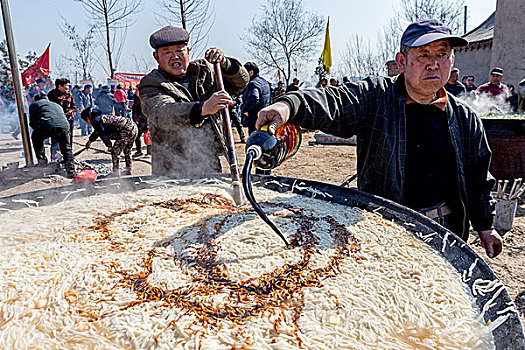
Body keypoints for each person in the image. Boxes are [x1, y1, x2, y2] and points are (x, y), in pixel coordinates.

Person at [256, 19, 503, 259]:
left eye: (442, 54)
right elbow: (334, 102)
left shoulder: (463, 117)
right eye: (424, 55)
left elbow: (477, 176)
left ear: (452, 60)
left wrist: (485, 226)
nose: (433, 64)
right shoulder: (376, 98)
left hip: (446, 230)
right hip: (385, 228)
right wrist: (288, 106)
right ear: (402, 61)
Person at [137, 26, 249, 175]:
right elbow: (162, 113)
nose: (175, 56)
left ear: (188, 52)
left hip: (209, 161)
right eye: (167, 52)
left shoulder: (205, 71)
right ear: (156, 57)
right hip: (171, 168)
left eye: (179, 50)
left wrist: (225, 64)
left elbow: (241, 82)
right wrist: (202, 108)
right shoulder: (151, 83)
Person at [28, 93, 75, 178]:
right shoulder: (56, 104)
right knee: (66, 148)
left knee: (36, 137)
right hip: (64, 126)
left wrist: (39, 129)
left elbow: (32, 122)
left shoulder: (34, 105)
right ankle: (71, 171)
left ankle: (42, 163)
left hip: (46, 125)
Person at [81, 107, 138, 176]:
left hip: (126, 130)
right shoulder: (100, 118)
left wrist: (109, 145)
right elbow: (97, 132)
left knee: (115, 152)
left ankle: (116, 172)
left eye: (85, 121)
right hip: (133, 127)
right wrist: (90, 141)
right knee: (127, 150)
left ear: (87, 118)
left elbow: (102, 134)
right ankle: (128, 170)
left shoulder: (96, 121)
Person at [241, 61, 271, 135]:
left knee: (254, 140)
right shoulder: (265, 82)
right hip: (266, 116)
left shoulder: (253, 83)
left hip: (255, 119)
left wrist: (244, 109)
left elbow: (254, 98)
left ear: (251, 72)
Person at [48, 78, 77, 146]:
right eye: (66, 86)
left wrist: (71, 111)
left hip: (69, 119)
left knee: (68, 138)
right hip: (57, 121)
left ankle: (68, 154)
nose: (68, 87)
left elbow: (74, 106)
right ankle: (55, 154)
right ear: (59, 86)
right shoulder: (52, 94)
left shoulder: (69, 94)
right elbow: (50, 107)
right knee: (56, 139)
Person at [131, 89, 150, 157]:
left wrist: (148, 123)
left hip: (144, 120)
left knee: (147, 136)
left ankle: (149, 152)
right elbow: (135, 110)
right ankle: (139, 151)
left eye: (138, 90)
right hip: (137, 121)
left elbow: (148, 111)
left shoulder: (145, 100)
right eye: (136, 91)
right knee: (137, 136)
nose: (136, 92)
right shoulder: (135, 99)